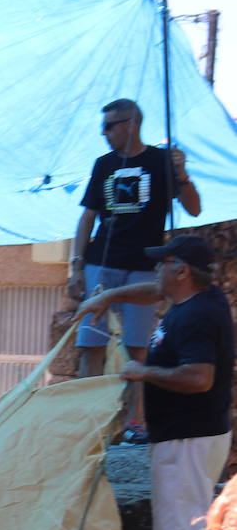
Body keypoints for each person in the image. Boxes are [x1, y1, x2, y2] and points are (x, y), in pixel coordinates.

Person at [75, 234, 232, 530]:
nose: (156, 269)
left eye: (163, 263)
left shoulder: (199, 315)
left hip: (190, 437)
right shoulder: (190, 300)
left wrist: (145, 373)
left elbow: (200, 378)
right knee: (177, 528)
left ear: (181, 271)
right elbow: (148, 291)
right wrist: (105, 298)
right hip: (182, 436)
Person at [68, 98, 201, 441]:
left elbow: (194, 208)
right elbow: (87, 217)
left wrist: (181, 173)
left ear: (131, 123)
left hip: (144, 266)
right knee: (91, 344)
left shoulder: (160, 161)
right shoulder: (103, 164)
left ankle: (133, 423)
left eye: (110, 125)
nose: (104, 132)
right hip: (101, 262)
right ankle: (88, 422)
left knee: (137, 347)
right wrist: (76, 265)